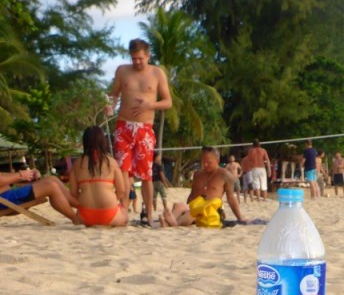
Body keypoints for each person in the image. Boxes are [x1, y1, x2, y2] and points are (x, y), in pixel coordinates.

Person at [0, 124, 80, 222]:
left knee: (52, 179)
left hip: (8, 196)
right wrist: (20, 175)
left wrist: (26, 174)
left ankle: (83, 207)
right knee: (51, 186)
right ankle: (77, 219)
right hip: (4, 201)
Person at [107, 38, 172, 227]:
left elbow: (168, 102)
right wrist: (109, 106)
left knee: (145, 175)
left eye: (140, 58)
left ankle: (149, 214)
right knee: (123, 172)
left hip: (144, 127)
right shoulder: (122, 70)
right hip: (123, 126)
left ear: (148, 56)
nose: (137, 62)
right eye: (134, 58)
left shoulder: (157, 73)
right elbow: (115, 94)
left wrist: (149, 104)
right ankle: (123, 211)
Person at [162, 146, 247, 227]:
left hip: (210, 211)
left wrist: (240, 217)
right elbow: (192, 195)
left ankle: (173, 223)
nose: (205, 165)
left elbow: (231, 198)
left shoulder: (225, 175)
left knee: (194, 213)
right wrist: (185, 209)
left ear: (217, 161)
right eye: (203, 162)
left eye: (209, 162)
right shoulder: (197, 174)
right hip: (196, 207)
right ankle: (170, 221)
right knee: (178, 205)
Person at [68, 126, 129, 227]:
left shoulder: (76, 164)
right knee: (125, 214)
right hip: (110, 213)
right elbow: (121, 190)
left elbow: (73, 192)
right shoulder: (111, 162)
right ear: (102, 141)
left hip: (85, 215)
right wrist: (112, 200)